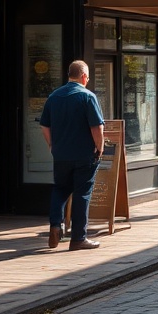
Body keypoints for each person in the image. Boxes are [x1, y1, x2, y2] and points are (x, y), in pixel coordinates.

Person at [40, 60, 105, 251]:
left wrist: (52, 145)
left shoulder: (54, 96)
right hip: (84, 154)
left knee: (60, 189)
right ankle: (78, 238)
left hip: (61, 154)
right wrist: (99, 148)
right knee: (82, 194)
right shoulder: (87, 96)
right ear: (84, 76)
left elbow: (45, 125)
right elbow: (97, 127)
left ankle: (54, 225)